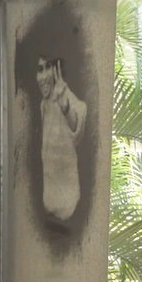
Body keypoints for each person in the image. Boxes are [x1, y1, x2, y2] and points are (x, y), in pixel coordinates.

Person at [36, 55, 86, 225]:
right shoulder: (43, 105)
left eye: (47, 67)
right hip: (48, 204)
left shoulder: (69, 100)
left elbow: (76, 123)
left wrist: (65, 108)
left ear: (57, 68)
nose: (42, 77)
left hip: (68, 210)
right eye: (39, 69)